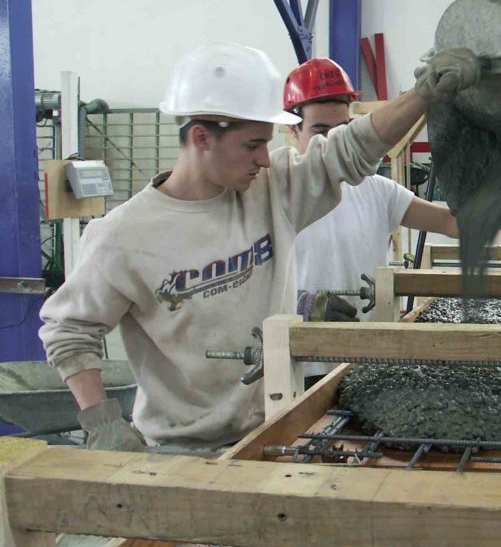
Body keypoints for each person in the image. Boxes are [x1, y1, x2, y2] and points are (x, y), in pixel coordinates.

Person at [39, 41, 478, 452]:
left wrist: (422, 96)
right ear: (201, 137)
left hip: (278, 426)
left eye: (267, 143)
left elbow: (349, 149)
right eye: (252, 145)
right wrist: (101, 422)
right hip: (181, 449)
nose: (265, 158)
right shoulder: (123, 236)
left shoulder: (274, 192)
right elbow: (70, 330)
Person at [283, 57, 458, 384]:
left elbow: (453, 223)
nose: (333, 142)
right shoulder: (277, 194)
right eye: (320, 132)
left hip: (366, 361)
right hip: (300, 366)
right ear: (294, 129)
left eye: (342, 129)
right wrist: (299, 307)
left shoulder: (378, 190)